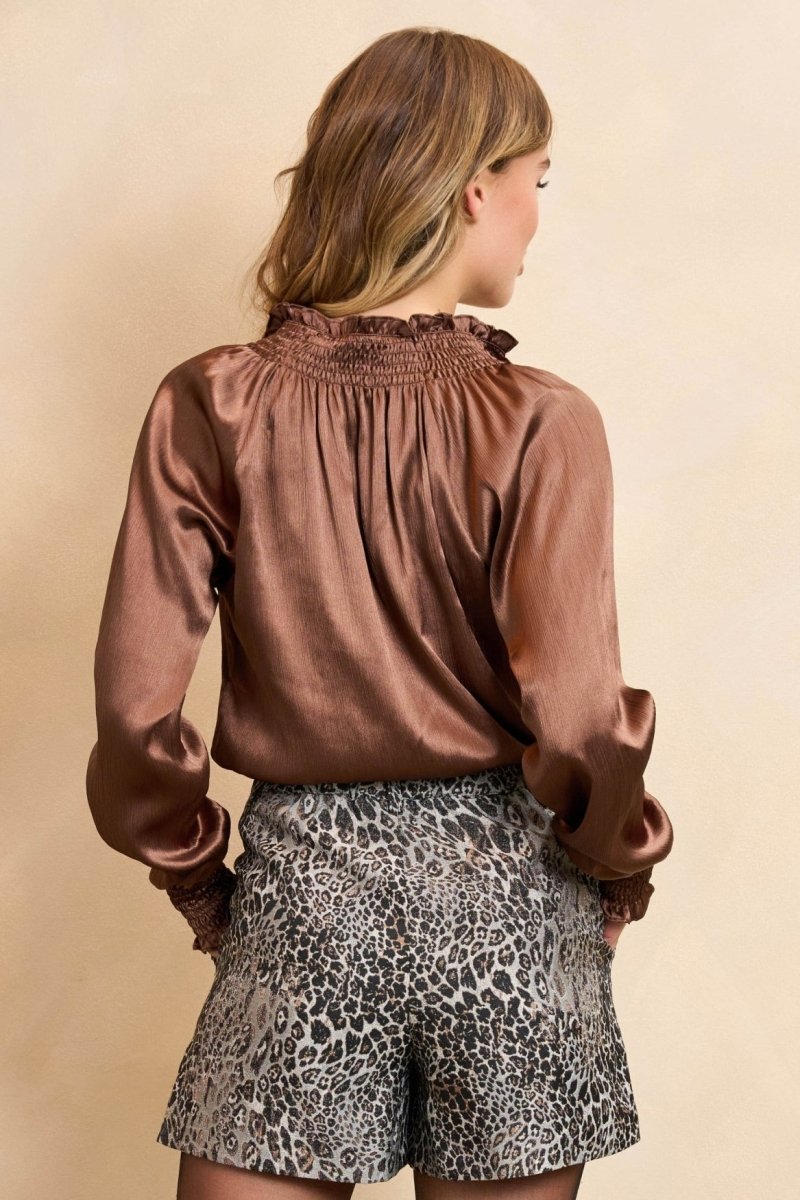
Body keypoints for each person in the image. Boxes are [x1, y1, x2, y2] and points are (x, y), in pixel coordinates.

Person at [85, 25, 674, 1200]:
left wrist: (202, 883)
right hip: (509, 903)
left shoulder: (212, 403)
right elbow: (574, 716)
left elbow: (134, 707)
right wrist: (618, 868)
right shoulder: (540, 421)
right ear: (474, 190)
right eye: (537, 179)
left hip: (307, 895)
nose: (536, 216)